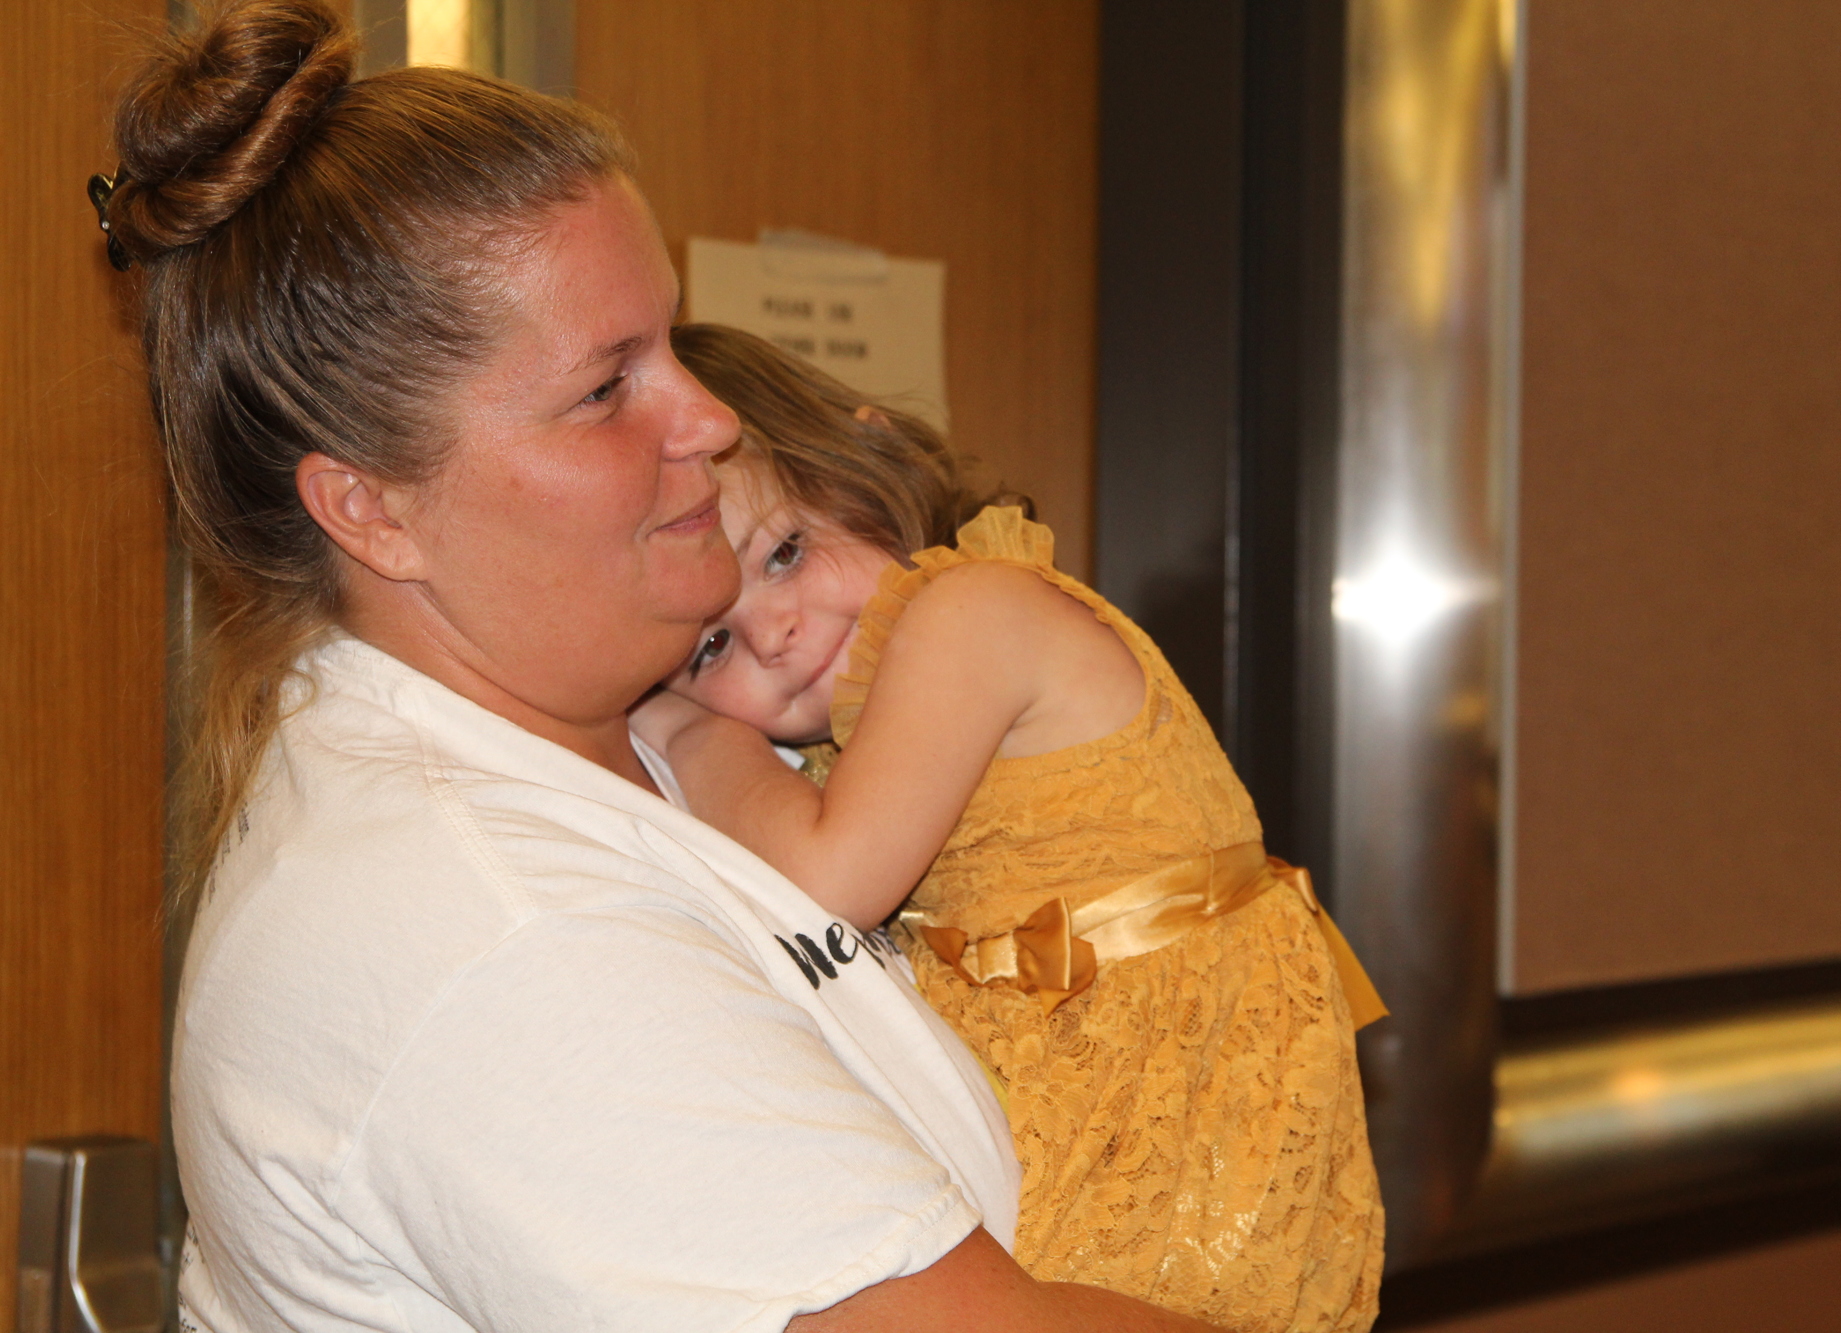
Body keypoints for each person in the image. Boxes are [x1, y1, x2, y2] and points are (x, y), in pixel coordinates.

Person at [103, 3, 1232, 1329]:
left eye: (675, 346)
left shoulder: (631, 730)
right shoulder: (495, 933)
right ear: (373, 512)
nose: (710, 417)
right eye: (604, 389)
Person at [635, 325, 1388, 1332]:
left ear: (866, 459)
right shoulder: (846, 726)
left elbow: (830, 882)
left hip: (1161, 1102)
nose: (773, 631)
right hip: (1091, 1076)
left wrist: (683, 722)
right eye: (713, 642)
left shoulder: (969, 612)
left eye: (785, 550)